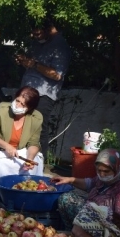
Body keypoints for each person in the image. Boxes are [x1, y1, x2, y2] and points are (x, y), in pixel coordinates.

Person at [0, 86, 44, 210]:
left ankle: (27, 205)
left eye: (22, 104)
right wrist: (7, 146)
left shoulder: (36, 118)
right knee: (2, 166)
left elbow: (34, 143)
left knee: (35, 164)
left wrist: (29, 159)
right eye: (17, 100)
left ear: (29, 108)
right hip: (1, 150)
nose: (18, 105)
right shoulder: (2, 109)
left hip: (22, 152)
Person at [52, 148, 120, 237]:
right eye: (99, 171)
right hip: (94, 216)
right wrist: (70, 180)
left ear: (117, 168)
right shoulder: (106, 178)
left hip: (108, 227)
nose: (102, 174)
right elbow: (90, 183)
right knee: (66, 199)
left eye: (106, 171)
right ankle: (74, 234)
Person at [15, 18, 72, 159]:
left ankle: (38, 162)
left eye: (38, 34)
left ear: (49, 28)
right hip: (27, 92)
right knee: (21, 126)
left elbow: (57, 75)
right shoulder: (38, 43)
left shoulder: (60, 46)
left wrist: (34, 64)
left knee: (38, 128)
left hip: (43, 95)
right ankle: (21, 158)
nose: (36, 37)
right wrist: (24, 62)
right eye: (34, 34)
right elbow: (33, 66)